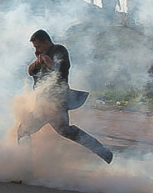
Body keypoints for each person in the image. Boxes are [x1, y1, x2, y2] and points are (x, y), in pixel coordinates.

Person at [17, 30, 113, 164]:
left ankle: (102, 151)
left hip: (56, 102)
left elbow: (62, 70)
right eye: (35, 47)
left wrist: (50, 63)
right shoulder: (42, 56)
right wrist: (38, 62)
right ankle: (24, 164)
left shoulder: (58, 50)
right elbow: (31, 71)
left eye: (38, 46)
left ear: (46, 42)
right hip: (43, 104)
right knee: (26, 130)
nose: (37, 50)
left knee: (64, 130)